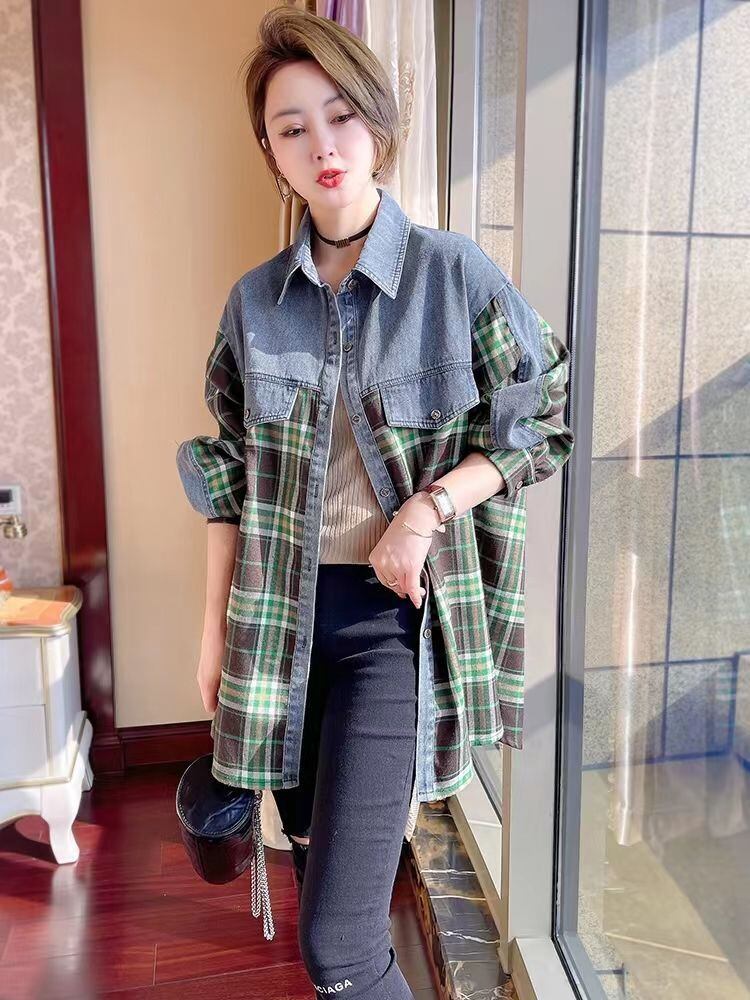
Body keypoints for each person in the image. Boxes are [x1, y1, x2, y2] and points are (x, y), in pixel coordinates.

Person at [176, 6, 574, 997]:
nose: (322, 144)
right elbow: (229, 472)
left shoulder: (454, 275)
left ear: (379, 124)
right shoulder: (254, 303)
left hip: (390, 631)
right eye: (292, 126)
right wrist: (213, 634)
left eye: (340, 115)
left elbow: (547, 416)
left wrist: (427, 508)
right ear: (270, 152)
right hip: (277, 624)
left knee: (340, 948)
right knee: (311, 860)